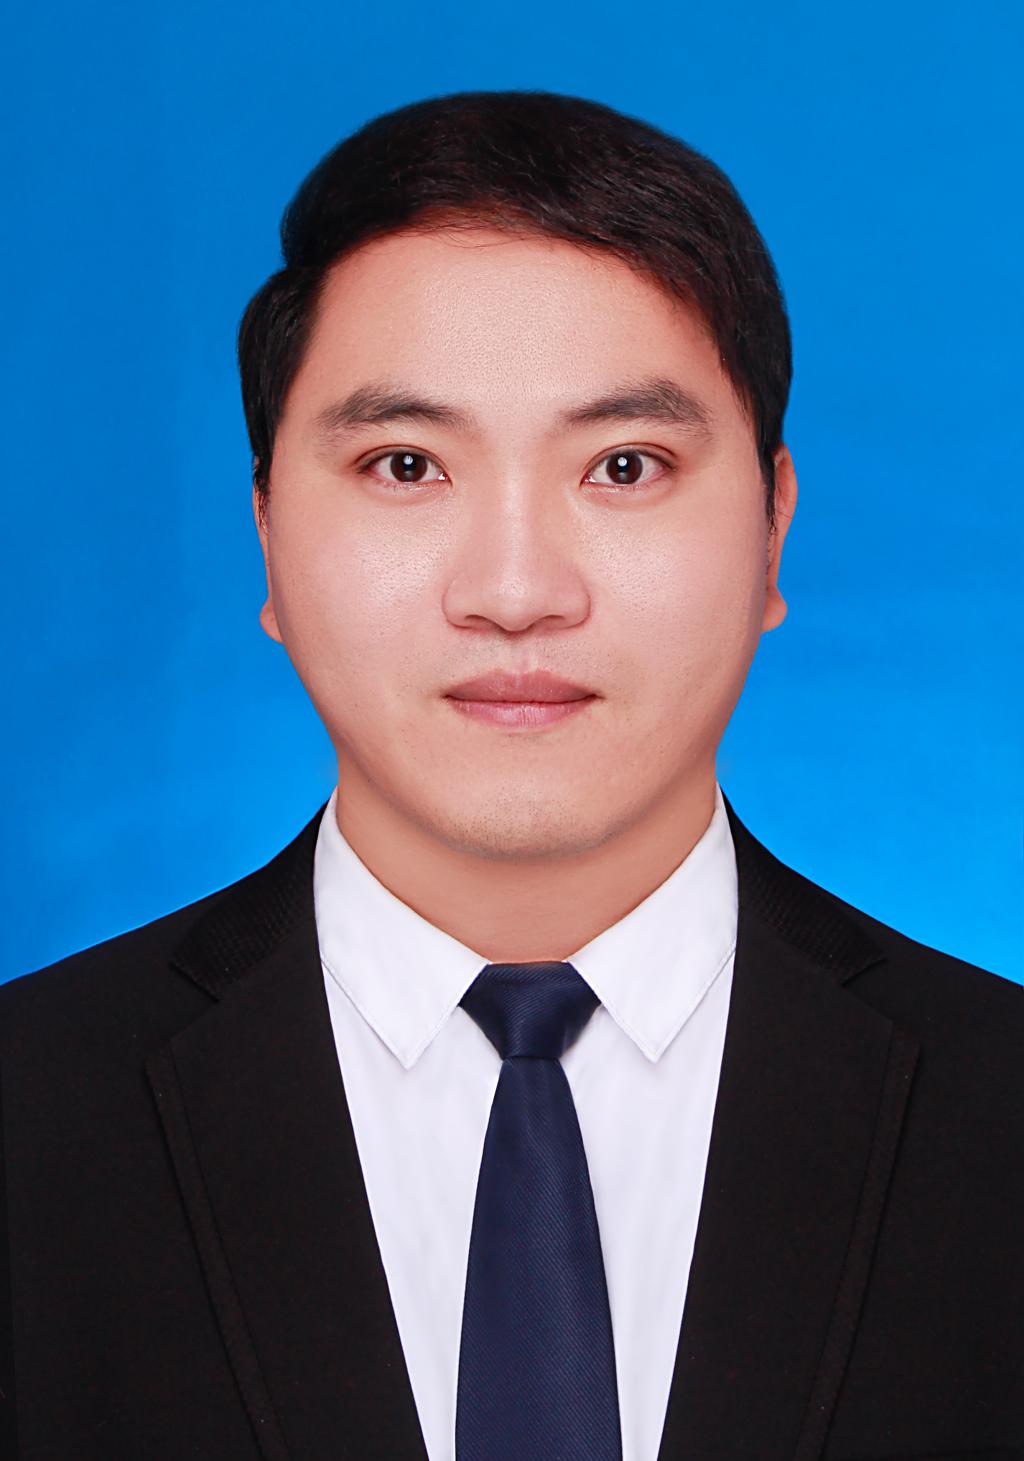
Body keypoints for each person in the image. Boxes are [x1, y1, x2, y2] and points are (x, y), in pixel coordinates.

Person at [0, 90, 1019, 1461]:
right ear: (267, 534)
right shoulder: (30, 1112)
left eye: (625, 465)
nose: (517, 589)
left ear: (773, 528)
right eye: (406, 464)